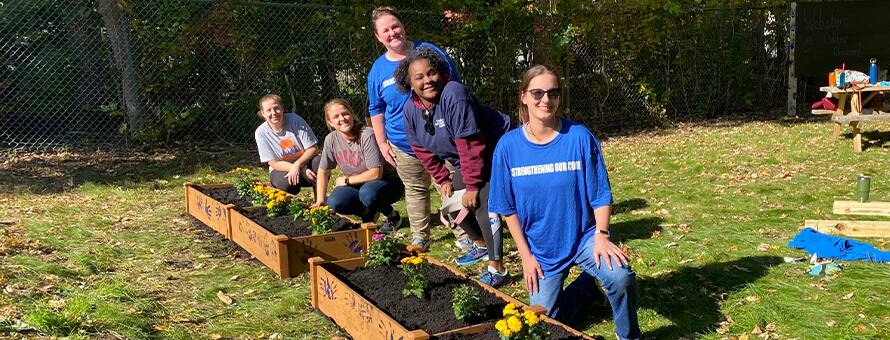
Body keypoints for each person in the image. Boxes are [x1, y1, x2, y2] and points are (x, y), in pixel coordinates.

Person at [488, 65, 641, 339]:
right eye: (537, 93)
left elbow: (601, 194)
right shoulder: (508, 147)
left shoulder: (579, 137)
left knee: (620, 277)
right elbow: (507, 209)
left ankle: (629, 336)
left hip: (584, 237)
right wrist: (525, 256)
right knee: (546, 323)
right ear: (523, 96)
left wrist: (602, 236)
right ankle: (585, 289)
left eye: (553, 93)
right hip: (541, 248)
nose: (545, 100)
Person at [395, 48, 511, 287]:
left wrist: (471, 185)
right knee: (451, 206)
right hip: (467, 158)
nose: (428, 80)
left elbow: (471, 143)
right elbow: (421, 150)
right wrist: (444, 179)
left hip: (496, 148)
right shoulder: (410, 111)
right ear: (409, 83)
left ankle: (497, 267)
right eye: (420, 77)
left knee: (480, 205)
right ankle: (479, 244)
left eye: (432, 72)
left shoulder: (453, 94)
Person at [367, 6, 468, 246]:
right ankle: (420, 236)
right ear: (378, 37)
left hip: (441, 138)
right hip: (402, 143)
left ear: (403, 26)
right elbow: (376, 109)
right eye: (385, 30)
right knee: (415, 189)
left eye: (395, 26)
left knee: (449, 185)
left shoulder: (429, 51)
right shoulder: (377, 70)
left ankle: (465, 233)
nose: (392, 33)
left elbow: (454, 86)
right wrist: (382, 143)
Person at [313, 99, 404, 229]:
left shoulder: (366, 134)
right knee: (334, 202)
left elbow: (375, 173)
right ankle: (367, 212)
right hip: (357, 185)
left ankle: (392, 216)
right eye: (336, 117)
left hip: (386, 182)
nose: (342, 119)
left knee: (368, 193)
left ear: (352, 114)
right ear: (330, 122)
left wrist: (346, 180)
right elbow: (323, 170)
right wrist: (320, 199)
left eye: (345, 114)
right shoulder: (331, 139)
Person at [254, 94, 320, 195]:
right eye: (269, 110)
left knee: (319, 162)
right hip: (282, 169)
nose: (274, 113)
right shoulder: (261, 132)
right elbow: (273, 163)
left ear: (283, 108)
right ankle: (291, 208)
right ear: (263, 113)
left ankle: (320, 201)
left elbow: (313, 148)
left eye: (276, 108)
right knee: (285, 184)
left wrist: (298, 165)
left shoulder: (295, 120)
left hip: (305, 163)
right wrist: (300, 169)